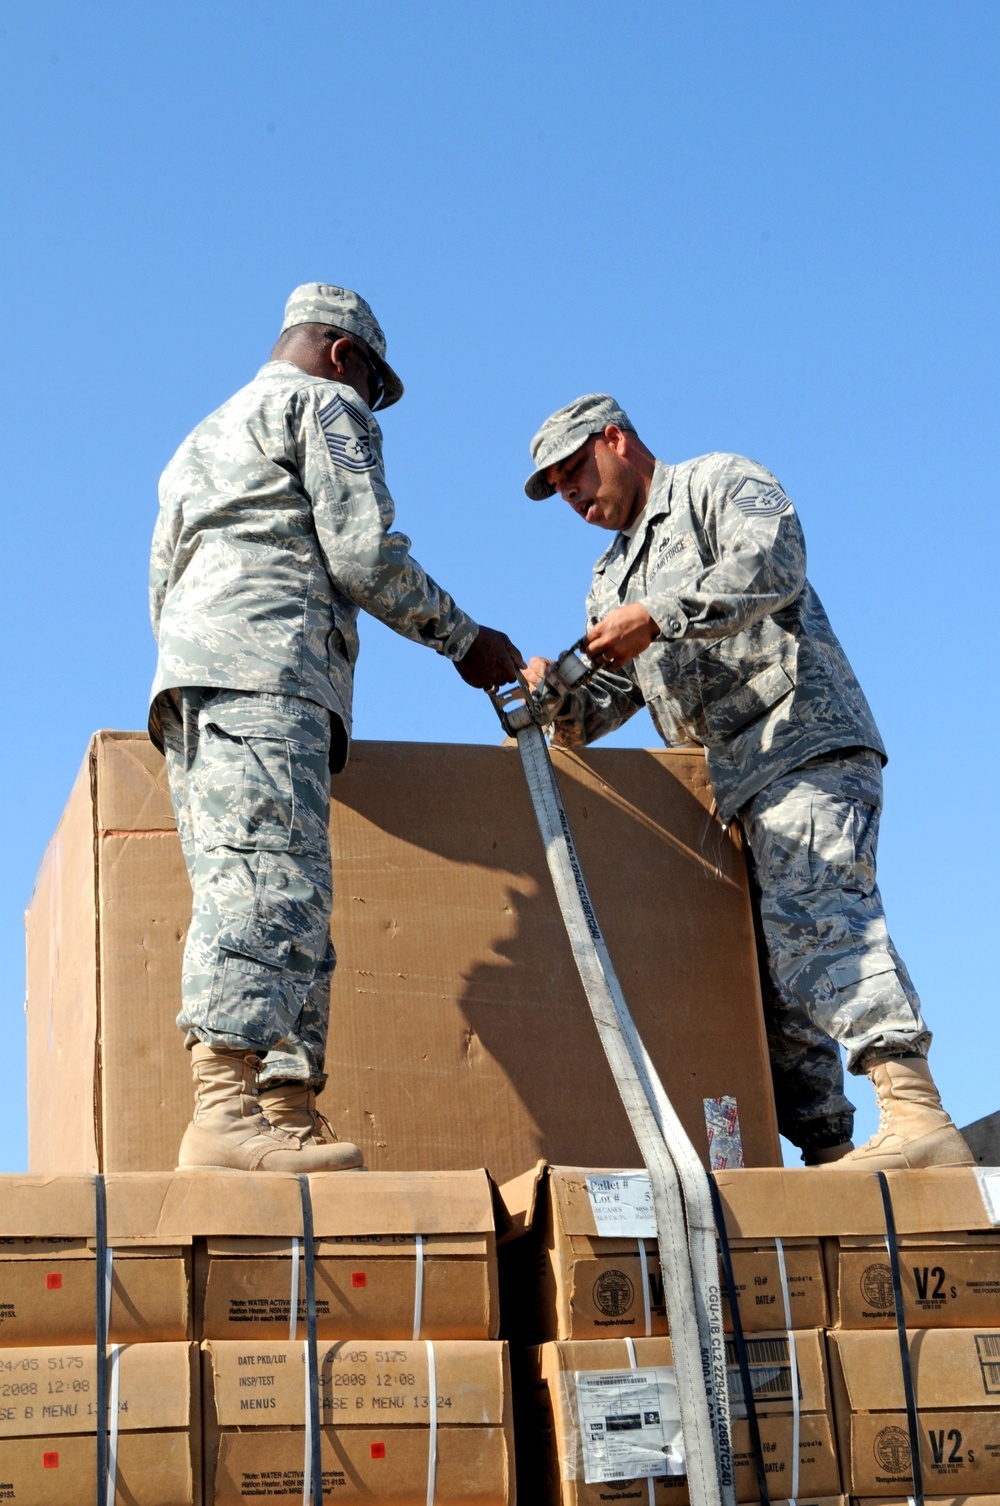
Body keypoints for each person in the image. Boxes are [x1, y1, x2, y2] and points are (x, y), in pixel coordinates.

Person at [522, 392, 971, 1170]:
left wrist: (658, 614)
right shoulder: (607, 582)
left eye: (575, 473)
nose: (572, 496)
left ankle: (916, 1114)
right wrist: (555, 699)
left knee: (821, 916)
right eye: (558, 490)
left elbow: (775, 563)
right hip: (725, 791)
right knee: (767, 980)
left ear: (616, 441)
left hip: (799, 744)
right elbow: (609, 705)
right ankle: (830, 1151)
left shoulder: (715, 483)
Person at [149, 282, 523, 1172]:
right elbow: (363, 552)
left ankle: (278, 1112)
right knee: (270, 892)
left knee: (280, 893)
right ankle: (224, 1112)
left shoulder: (200, 438)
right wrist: (466, 640)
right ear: (344, 353)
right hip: (268, 677)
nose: (366, 404)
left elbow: (162, 584)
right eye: (369, 385)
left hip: (199, 687)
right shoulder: (322, 405)